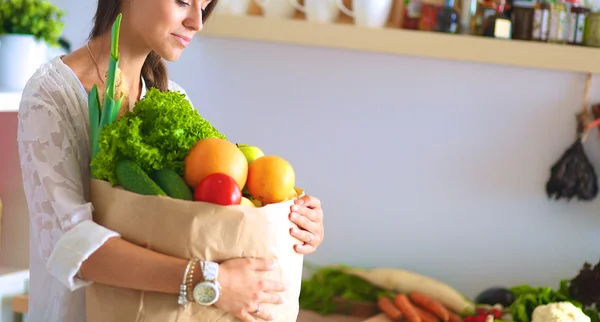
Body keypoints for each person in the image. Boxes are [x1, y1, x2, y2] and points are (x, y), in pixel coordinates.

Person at [16, 1, 325, 321]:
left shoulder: (171, 98)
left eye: (204, 5)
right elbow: (70, 246)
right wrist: (213, 280)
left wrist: (293, 216)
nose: (197, 22)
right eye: (182, 1)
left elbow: (204, 217)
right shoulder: (53, 94)